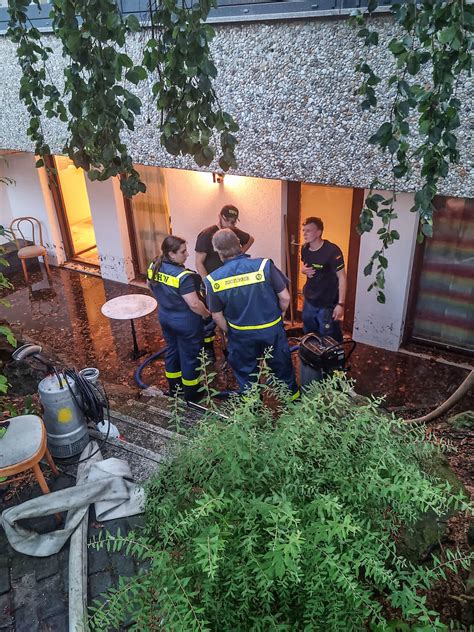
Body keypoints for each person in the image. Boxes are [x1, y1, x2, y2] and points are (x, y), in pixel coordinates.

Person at [204, 229, 299, 400]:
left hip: (241, 335)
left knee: (247, 378)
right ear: (239, 245)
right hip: (271, 331)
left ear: (218, 252)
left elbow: (216, 316)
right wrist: (280, 315)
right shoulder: (264, 266)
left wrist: (231, 330)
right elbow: (285, 297)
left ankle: (253, 414)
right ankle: (294, 407)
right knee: (282, 370)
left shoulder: (213, 280)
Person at [147, 236, 210, 402]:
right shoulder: (184, 277)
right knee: (189, 357)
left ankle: (175, 389)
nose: (187, 254)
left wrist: (166, 301)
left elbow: (150, 285)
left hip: (165, 318)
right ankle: (193, 394)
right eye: (183, 251)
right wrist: (206, 314)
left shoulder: (154, 265)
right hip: (186, 323)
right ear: (171, 254)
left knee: (172, 351)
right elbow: (194, 304)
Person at [195, 204, 254, 354]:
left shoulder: (232, 233)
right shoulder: (206, 235)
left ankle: (229, 347)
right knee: (212, 317)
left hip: (229, 282)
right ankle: (208, 350)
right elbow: (199, 262)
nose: (231, 225)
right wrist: (207, 283)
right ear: (220, 217)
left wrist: (239, 254)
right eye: (228, 221)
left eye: (234, 222)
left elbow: (250, 239)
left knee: (229, 314)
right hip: (213, 283)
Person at [300, 217, 347, 342]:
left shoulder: (332, 251)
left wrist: (340, 304)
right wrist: (302, 270)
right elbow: (304, 265)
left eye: (308, 230)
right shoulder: (304, 249)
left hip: (327, 304)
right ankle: (312, 358)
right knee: (310, 335)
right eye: (303, 230)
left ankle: (333, 360)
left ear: (318, 232)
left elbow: (342, 277)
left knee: (329, 338)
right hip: (309, 300)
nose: (304, 233)